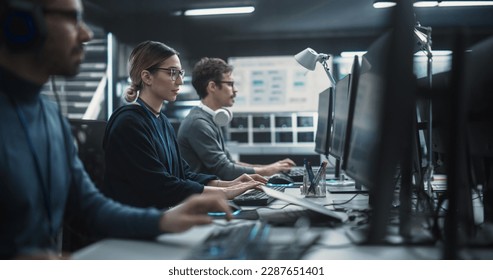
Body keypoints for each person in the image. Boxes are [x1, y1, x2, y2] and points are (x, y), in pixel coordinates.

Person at [0, 0, 234, 259]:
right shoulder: (128, 120)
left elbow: (90, 208)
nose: (87, 34)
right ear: (21, 24)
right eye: (72, 18)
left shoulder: (50, 116)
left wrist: (163, 222)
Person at [102, 41, 266, 209]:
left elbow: (183, 174)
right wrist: (224, 193)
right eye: (173, 73)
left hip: (164, 214)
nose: (180, 81)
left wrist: (228, 184)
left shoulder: (162, 120)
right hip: (139, 224)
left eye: (180, 73)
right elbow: (160, 186)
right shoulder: (129, 123)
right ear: (147, 77)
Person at [177, 57, 296, 180]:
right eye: (230, 84)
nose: (235, 90)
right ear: (212, 86)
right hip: (205, 196)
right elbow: (226, 170)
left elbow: (230, 163)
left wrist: (271, 167)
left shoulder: (210, 118)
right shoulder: (198, 124)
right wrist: (268, 170)